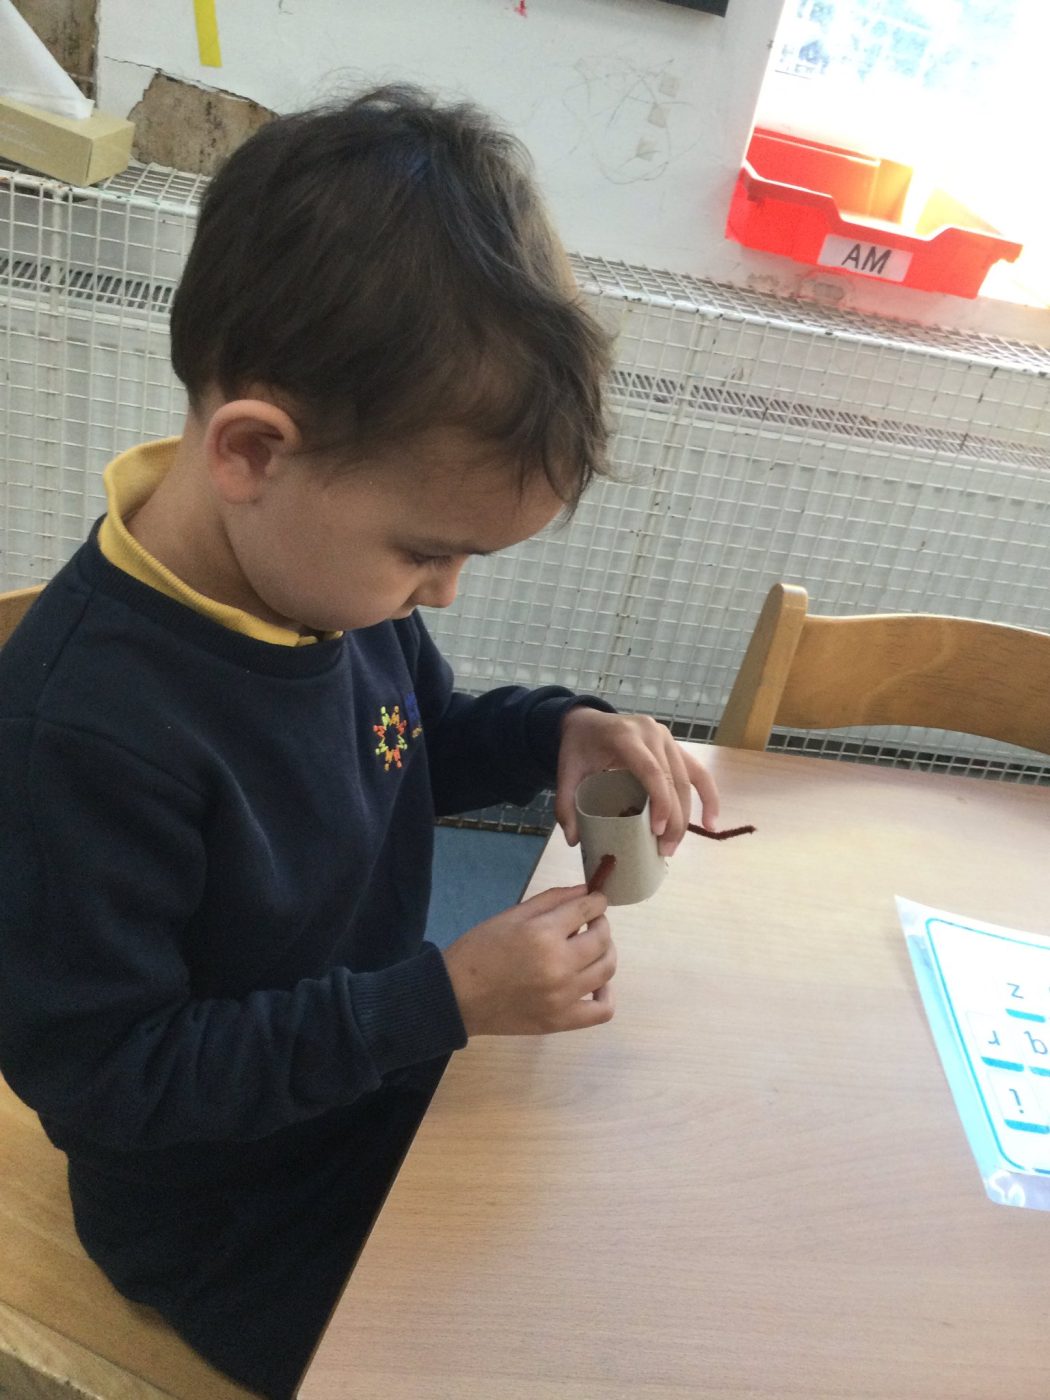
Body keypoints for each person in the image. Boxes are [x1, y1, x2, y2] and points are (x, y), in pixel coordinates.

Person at [0, 86, 718, 1399]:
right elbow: (109, 1080)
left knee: (643, 1220)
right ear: (251, 452)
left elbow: (410, 744)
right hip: (225, 1216)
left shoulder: (326, 595)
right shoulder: (81, 729)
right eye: (427, 551)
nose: (443, 594)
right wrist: (437, 1003)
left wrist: (556, 730)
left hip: (370, 1080)